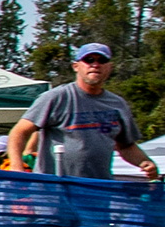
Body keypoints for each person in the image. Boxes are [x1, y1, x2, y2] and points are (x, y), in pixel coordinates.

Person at [8, 43, 159, 183]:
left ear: (109, 67)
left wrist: (146, 163)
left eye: (102, 60)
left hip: (97, 190)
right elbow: (19, 132)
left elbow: (126, 146)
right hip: (54, 188)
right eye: (89, 59)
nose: (95, 64)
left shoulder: (117, 104)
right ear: (76, 66)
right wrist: (16, 166)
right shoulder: (56, 97)